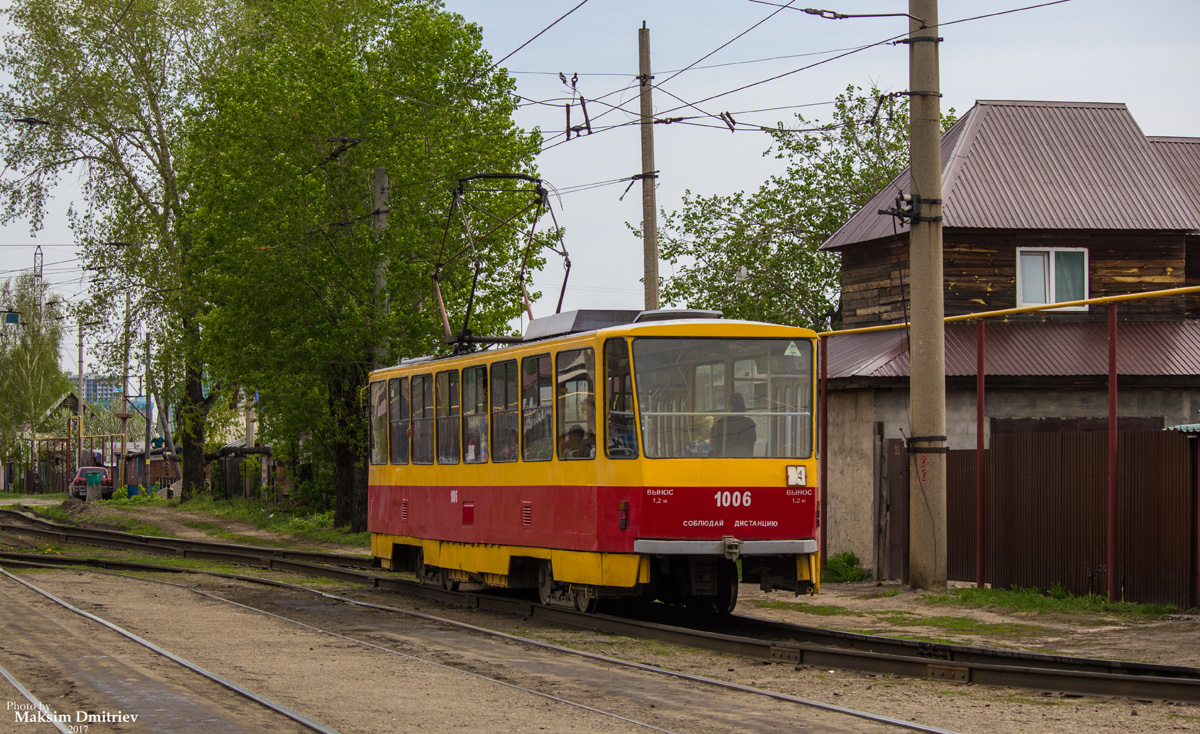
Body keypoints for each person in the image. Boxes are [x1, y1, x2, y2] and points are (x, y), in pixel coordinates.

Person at [711, 393, 756, 457]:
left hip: (726, 461)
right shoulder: (750, 423)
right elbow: (751, 446)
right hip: (745, 461)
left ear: (731, 406)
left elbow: (716, 445)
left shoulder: (722, 422)